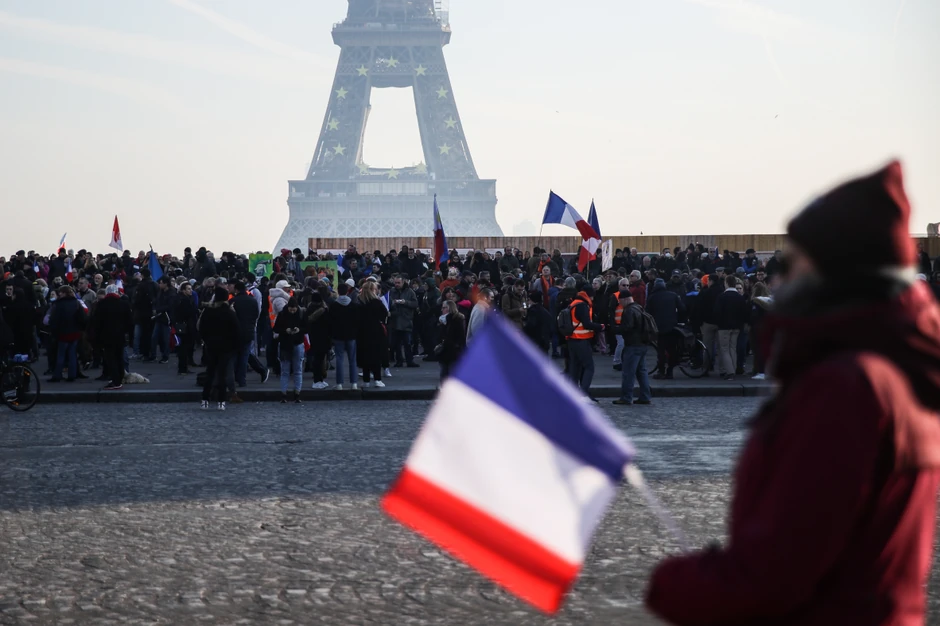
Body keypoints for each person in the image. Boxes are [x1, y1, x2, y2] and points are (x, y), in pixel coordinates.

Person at [646, 160, 940, 625]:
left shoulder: (846, 386)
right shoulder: (898, 371)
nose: (781, 279)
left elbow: (776, 573)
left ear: (834, 270)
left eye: (795, 262)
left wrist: (671, 583)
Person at [197, 285, 239, 410]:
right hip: (226, 347)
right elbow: (236, 330)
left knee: (210, 372)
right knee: (222, 374)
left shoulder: (208, 311)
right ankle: (221, 401)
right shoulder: (229, 313)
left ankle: (205, 399)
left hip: (211, 346)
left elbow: (202, 328)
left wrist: (206, 341)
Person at [612, 290, 652, 406]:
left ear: (624, 299)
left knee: (628, 373)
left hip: (633, 345)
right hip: (642, 344)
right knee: (642, 372)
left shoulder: (629, 310)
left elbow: (628, 327)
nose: (620, 304)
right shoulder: (639, 307)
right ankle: (645, 396)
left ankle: (626, 397)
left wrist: (615, 329)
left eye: (620, 301)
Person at [565, 285, 604, 401]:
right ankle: (583, 393)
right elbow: (586, 324)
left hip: (572, 339)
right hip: (581, 340)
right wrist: (600, 327)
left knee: (574, 367)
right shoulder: (582, 305)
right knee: (589, 367)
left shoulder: (573, 303)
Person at [93, 284, 133, 390]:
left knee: (110, 359)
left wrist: (96, 336)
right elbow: (129, 321)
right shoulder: (124, 304)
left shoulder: (102, 304)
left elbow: (97, 322)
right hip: (120, 336)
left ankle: (115, 380)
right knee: (119, 357)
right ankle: (119, 378)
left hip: (106, 336)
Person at [646, 278, 686, 379]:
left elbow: (647, 313)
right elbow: (682, 309)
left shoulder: (652, 297)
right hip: (672, 326)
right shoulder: (672, 295)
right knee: (672, 349)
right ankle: (670, 371)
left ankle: (661, 370)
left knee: (661, 350)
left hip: (659, 327)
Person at [232, 281, 270, 387]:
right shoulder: (252, 301)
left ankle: (239, 378)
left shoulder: (234, 301)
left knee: (237, 356)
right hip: (249, 330)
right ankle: (242, 379)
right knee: (245, 355)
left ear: (236, 290)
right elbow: (256, 313)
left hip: (236, 332)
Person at [47, 285, 86, 382]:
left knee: (61, 355)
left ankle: (57, 375)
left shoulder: (58, 304)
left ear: (63, 293)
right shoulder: (76, 303)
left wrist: (53, 331)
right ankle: (72, 375)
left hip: (62, 333)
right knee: (72, 354)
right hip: (75, 332)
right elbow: (83, 318)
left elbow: (54, 320)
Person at [714, 274, 748, 380]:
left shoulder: (722, 297)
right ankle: (733, 368)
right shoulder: (740, 297)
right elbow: (744, 313)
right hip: (737, 326)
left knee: (724, 349)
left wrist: (718, 322)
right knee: (733, 348)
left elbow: (717, 312)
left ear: (727, 283)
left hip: (724, 326)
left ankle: (730, 372)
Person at [273, 296, 305, 403]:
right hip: (293, 344)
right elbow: (276, 328)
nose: (292, 311)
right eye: (291, 309)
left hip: (287, 344)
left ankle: (289, 394)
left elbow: (276, 328)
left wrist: (297, 330)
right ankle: (293, 394)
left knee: (289, 371)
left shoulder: (283, 314)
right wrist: (290, 330)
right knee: (294, 371)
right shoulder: (299, 313)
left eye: (293, 309)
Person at [357, 281, 388, 388]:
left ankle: (366, 379)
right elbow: (385, 314)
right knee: (376, 356)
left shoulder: (359, 302)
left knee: (365, 356)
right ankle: (377, 379)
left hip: (362, 332)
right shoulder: (376, 302)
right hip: (375, 331)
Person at [329, 282, 359, 390]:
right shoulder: (354, 305)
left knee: (339, 359)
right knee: (352, 359)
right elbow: (357, 321)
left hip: (338, 335)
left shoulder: (334, 305)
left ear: (338, 291)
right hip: (351, 335)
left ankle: (339, 384)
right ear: (347, 291)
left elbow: (331, 321)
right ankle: (354, 383)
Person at [388, 275, 419, 368]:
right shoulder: (392, 292)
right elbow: (388, 303)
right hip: (395, 321)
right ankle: (399, 361)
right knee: (397, 343)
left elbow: (415, 304)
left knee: (407, 343)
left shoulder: (410, 292)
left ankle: (410, 360)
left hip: (406, 320)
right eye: (395, 283)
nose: (397, 284)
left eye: (398, 283)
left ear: (403, 282)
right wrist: (393, 304)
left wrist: (405, 302)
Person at [305, 292, 332, 389]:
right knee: (319, 360)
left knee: (317, 359)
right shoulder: (324, 310)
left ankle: (319, 379)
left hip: (313, 336)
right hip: (323, 337)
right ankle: (317, 380)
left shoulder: (309, 308)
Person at [437, 300, 466, 380]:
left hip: (453, 351)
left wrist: (456, 346)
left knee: (451, 374)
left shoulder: (457, 319)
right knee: (444, 373)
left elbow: (461, 336)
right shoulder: (442, 320)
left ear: (450, 308)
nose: (442, 310)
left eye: (444, 308)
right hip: (444, 351)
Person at [173, 282, 198, 375]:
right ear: (183, 290)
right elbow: (190, 312)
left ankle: (183, 367)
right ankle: (183, 368)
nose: (191, 291)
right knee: (184, 347)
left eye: (191, 289)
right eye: (188, 289)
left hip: (183, 325)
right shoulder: (184, 300)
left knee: (184, 347)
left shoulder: (182, 298)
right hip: (186, 326)